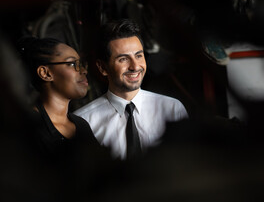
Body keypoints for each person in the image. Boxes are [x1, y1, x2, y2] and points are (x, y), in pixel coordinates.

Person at [74, 19, 188, 160]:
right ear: (102, 68)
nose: (135, 66)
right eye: (123, 59)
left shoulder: (172, 109)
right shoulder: (83, 122)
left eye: (139, 56)